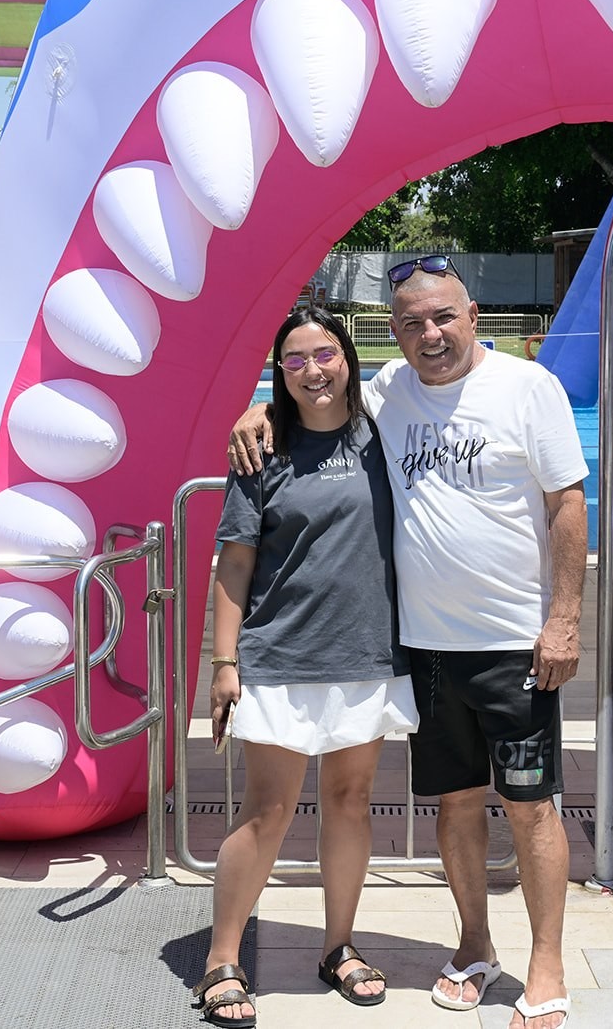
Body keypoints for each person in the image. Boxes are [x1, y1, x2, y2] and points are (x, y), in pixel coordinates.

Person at [229, 258, 588, 1029]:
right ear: (392, 332)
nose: (432, 333)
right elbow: (314, 387)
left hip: (514, 648)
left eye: (444, 316)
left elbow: (567, 501)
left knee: (530, 806)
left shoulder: (529, 388)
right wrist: (259, 407)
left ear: (473, 314)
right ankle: (474, 945)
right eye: (414, 322)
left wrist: (564, 618)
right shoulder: (387, 391)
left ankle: (547, 961)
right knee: (455, 804)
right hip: (425, 652)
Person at [193, 306, 418, 1028]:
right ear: (279, 373)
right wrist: (223, 661)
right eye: (294, 360)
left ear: (348, 358)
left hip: (365, 654)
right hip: (280, 656)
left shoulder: (383, 433)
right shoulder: (262, 450)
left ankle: (338, 947)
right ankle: (221, 958)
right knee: (268, 810)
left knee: (351, 801)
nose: (313, 370)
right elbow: (235, 563)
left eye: (325, 355)